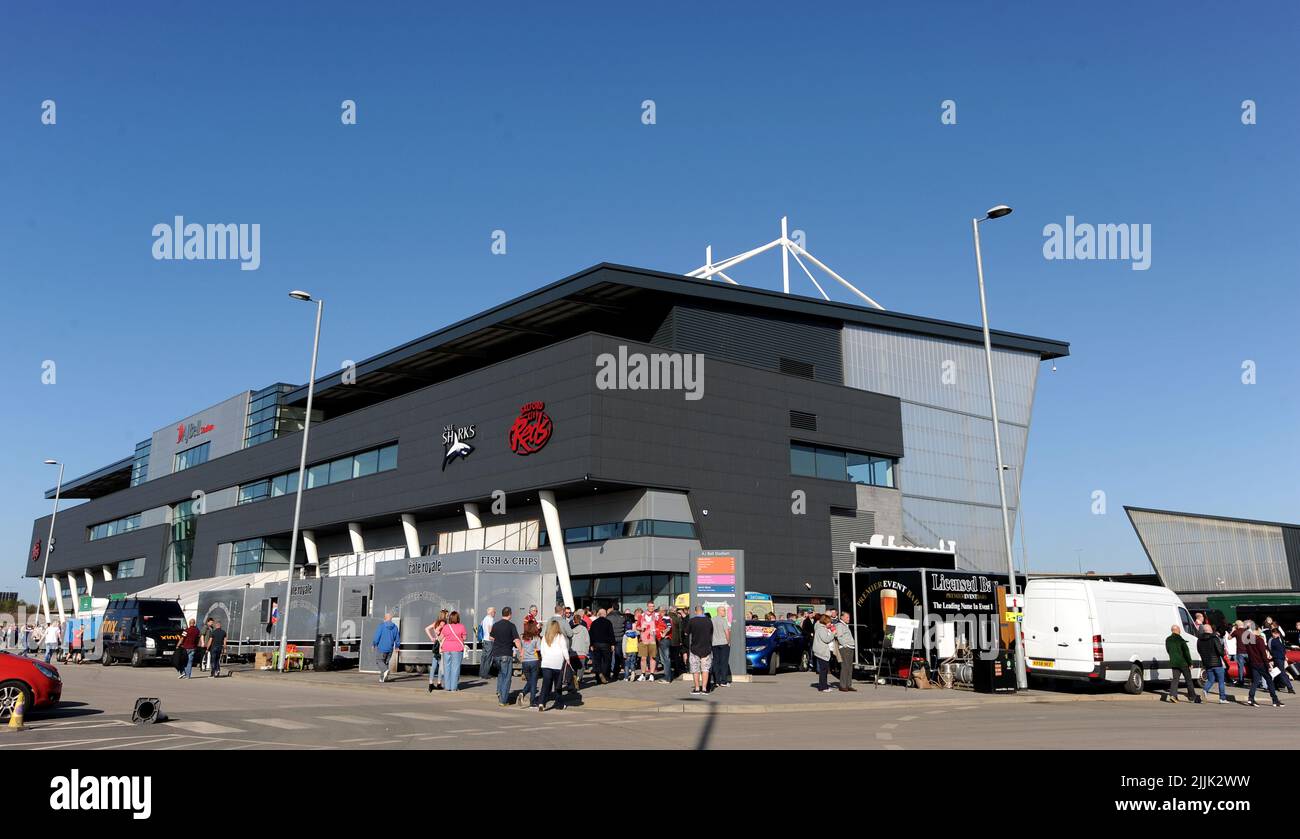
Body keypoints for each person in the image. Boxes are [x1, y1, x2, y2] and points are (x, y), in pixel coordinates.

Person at [489, 607, 522, 706]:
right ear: (510, 614)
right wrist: (521, 651)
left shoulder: (496, 625)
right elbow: (516, 640)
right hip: (506, 654)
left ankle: (499, 691)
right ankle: (503, 700)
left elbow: (491, 637)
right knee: (507, 677)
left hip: (496, 655)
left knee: (501, 673)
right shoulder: (511, 626)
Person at [538, 617, 570, 711]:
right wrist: (567, 659)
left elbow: (542, 650)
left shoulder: (545, 637)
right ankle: (559, 704)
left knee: (546, 684)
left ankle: (541, 703)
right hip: (557, 663)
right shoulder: (560, 636)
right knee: (558, 685)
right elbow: (564, 649)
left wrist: (544, 659)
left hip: (546, 663)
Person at [1164, 625, 1200, 703]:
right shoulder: (1180, 640)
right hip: (1183, 663)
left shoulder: (1168, 639)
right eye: (1179, 630)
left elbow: (1168, 650)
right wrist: (1190, 663)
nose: (1180, 631)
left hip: (1174, 663)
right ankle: (1192, 696)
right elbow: (1186, 652)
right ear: (1177, 630)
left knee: (1175, 679)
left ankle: (1173, 695)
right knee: (1188, 680)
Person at [1196, 623, 1228, 703]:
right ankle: (1222, 698)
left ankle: (1205, 691)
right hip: (1216, 663)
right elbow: (1219, 650)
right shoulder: (1214, 638)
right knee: (1221, 681)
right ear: (1210, 630)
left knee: (1210, 680)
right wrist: (1223, 653)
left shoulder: (1199, 640)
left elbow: (1199, 651)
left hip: (1207, 663)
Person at [438, 611, 469, 691]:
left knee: (447, 667)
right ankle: (454, 687)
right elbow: (464, 638)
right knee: (455, 668)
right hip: (457, 649)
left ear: (450, 618)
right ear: (458, 618)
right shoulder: (461, 626)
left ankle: (447, 687)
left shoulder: (446, 627)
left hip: (446, 649)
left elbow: (440, 638)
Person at [686, 605, 714, 694]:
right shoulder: (709, 621)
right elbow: (711, 632)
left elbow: (686, 633)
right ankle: (705, 689)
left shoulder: (692, 621)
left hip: (695, 648)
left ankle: (697, 688)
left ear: (695, 611)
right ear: (703, 611)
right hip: (706, 648)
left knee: (695, 669)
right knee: (705, 669)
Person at [425, 609, 449, 693]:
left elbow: (427, 629)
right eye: (447, 615)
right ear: (444, 615)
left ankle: (430, 684)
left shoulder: (436, 622)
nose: (448, 616)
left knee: (434, 666)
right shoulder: (443, 623)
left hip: (436, 646)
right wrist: (438, 637)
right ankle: (439, 683)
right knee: (440, 666)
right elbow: (437, 630)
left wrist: (432, 638)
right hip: (441, 646)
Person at [588, 608, 615, 684]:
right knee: (606, 661)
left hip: (596, 644)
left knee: (597, 661)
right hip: (606, 644)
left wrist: (591, 644)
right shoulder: (608, 622)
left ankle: (598, 676)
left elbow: (591, 634)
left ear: (598, 614)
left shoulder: (594, 623)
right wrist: (612, 644)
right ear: (605, 614)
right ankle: (605, 676)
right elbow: (611, 634)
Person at [372, 612, 400, 684]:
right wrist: (397, 646)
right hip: (390, 649)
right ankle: (383, 678)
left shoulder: (382, 626)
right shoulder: (395, 627)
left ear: (385, 618)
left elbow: (377, 637)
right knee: (385, 663)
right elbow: (397, 638)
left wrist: (374, 643)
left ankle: (385, 671)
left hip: (382, 648)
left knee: (379, 661)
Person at [519, 620, 542, 708]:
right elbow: (539, 649)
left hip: (525, 661)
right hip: (534, 660)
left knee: (530, 681)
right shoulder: (536, 638)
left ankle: (522, 693)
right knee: (533, 682)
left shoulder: (522, 637)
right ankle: (532, 701)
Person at [812, 614, 836, 692]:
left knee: (824, 670)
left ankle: (824, 686)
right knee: (823, 670)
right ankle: (823, 687)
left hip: (821, 651)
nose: (830, 624)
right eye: (829, 622)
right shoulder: (821, 629)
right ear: (825, 622)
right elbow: (826, 639)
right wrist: (833, 633)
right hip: (822, 652)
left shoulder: (821, 628)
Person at [1268, 628, 1296, 695]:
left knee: (1277, 672)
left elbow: (1282, 648)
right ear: (1272, 633)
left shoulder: (1279, 639)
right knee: (1282, 673)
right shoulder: (1271, 640)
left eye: (1277, 633)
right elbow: (1270, 649)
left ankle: (1274, 685)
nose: (1275, 634)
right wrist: (1273, 655)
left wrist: (1284, 656)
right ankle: (1290, 688)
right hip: (1277, 658)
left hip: (1281, 658)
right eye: (1274, 633)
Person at [710, 605, 732, 688]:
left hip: (714, 643)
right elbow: (727, 632)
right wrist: (728, 642)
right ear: (719, 611)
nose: (725, 612)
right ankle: (723, 681)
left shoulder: (712, 620)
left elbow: (710, 632)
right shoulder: (723, 620)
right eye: (724, 610)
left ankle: (716, 681)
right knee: (724, 662)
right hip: (723, 643)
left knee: (716, 662)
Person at [834, 611, 857, 691]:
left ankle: (848, 684)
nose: (849, 619)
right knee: (845, 667)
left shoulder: (845, 625)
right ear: (842, 617)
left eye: (849, 617)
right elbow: (839, 636)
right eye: (847, 617)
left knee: (850, 667)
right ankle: (843, 685)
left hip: (850, 647)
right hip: (845, 648)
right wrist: (845, 645)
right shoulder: (840, 625)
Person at [636, 605, 659, 682]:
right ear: (647, 606)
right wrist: (640, 628)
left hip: (652, 639)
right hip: (643, 639)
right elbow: (637, 626)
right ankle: (643, 674)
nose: (651, 608)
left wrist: (656, 630)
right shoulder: (641, 616)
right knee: (643, 658)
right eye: (650, 606)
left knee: (652, 657)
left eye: (653, 606)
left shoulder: (656, 615)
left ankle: (652, 674)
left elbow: (660, 625)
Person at [570, 610, 590, 690]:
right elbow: (587, 641)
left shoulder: (570, 630)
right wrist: (586, 651)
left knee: (573, 668)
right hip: (582, 652)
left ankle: (574, 679)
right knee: (581, 669)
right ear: (580, 621)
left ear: (573, 621)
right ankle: (578, 680)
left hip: (572, 653)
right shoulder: (584, 629)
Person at [478, 607, 497, 680]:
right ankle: (485, 674)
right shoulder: (490, 619)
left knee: (484, 657)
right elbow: (490, 630)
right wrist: (494, 637)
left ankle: (481, 673)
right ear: (491, 612)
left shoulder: (484, 618)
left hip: (484, 640)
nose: (495, 613)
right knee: (488, 658)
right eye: (494, 612)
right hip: (489, 640)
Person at [1230, 621, 1250, 687]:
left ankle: (1241, 682)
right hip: (1247, 651)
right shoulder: (1247, 631)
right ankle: (1254, 680)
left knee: (1240, 667)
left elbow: (1229, 638)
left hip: (1240, 652)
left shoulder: (1236, 631)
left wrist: (1233, 630)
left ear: (1236, 625)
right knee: (1252, 665)